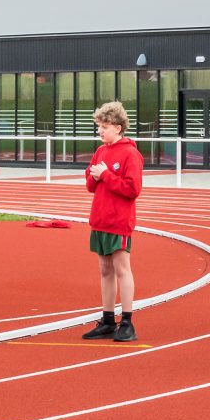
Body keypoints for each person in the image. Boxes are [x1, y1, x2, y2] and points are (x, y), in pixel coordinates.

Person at [81, 101, 145, 342]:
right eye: (99, 126)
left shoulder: (130, 153)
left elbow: (133, 189)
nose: (100, 131)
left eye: (104, 126)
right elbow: (90, 184)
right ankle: (108, 319)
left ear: (117, 128)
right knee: (104, 270)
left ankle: (127, 322)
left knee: (121, 269)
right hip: (100, 219)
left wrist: (105, 175)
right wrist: (95, 176)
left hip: (119, 221)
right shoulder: (101, 151)